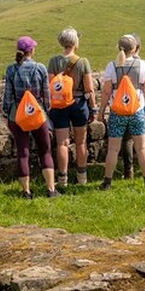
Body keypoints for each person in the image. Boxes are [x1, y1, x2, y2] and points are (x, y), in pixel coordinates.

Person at [2, 36, 58, 199]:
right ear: (32, 50)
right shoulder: (40, 68)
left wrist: (7, 113)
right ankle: (51, 189)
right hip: (37, 113)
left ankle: (26, 191)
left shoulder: (11, 70)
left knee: (22, 152)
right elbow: (47, 96)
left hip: (17, 114)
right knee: (45, 150)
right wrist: (45, 111)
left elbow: (7, 96)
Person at [97, 34, 145, 190]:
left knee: (113, 148)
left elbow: (106, 92)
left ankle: (107, 181)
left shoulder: (112, 66)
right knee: (141, 147)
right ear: (134, 48)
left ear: (118, 47)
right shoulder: (143, 65)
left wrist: (101, 110)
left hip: (117, 111)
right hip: (137, 110)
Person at [47, 27, 97, 187]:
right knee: (81, 142)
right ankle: (82, 178)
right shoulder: (82, 62)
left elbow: (49, 86)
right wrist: (93, 107)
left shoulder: (53, 61)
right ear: (75, 42)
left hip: (59, 105)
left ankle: (62, 179)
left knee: (62, 143)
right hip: (79, 104)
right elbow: (89, 88)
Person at [120, 34, 145, 179]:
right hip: (140, 106)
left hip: (122, 105)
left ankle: (129, 171)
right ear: (138, 48)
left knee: (126, 140)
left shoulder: (116, 63)